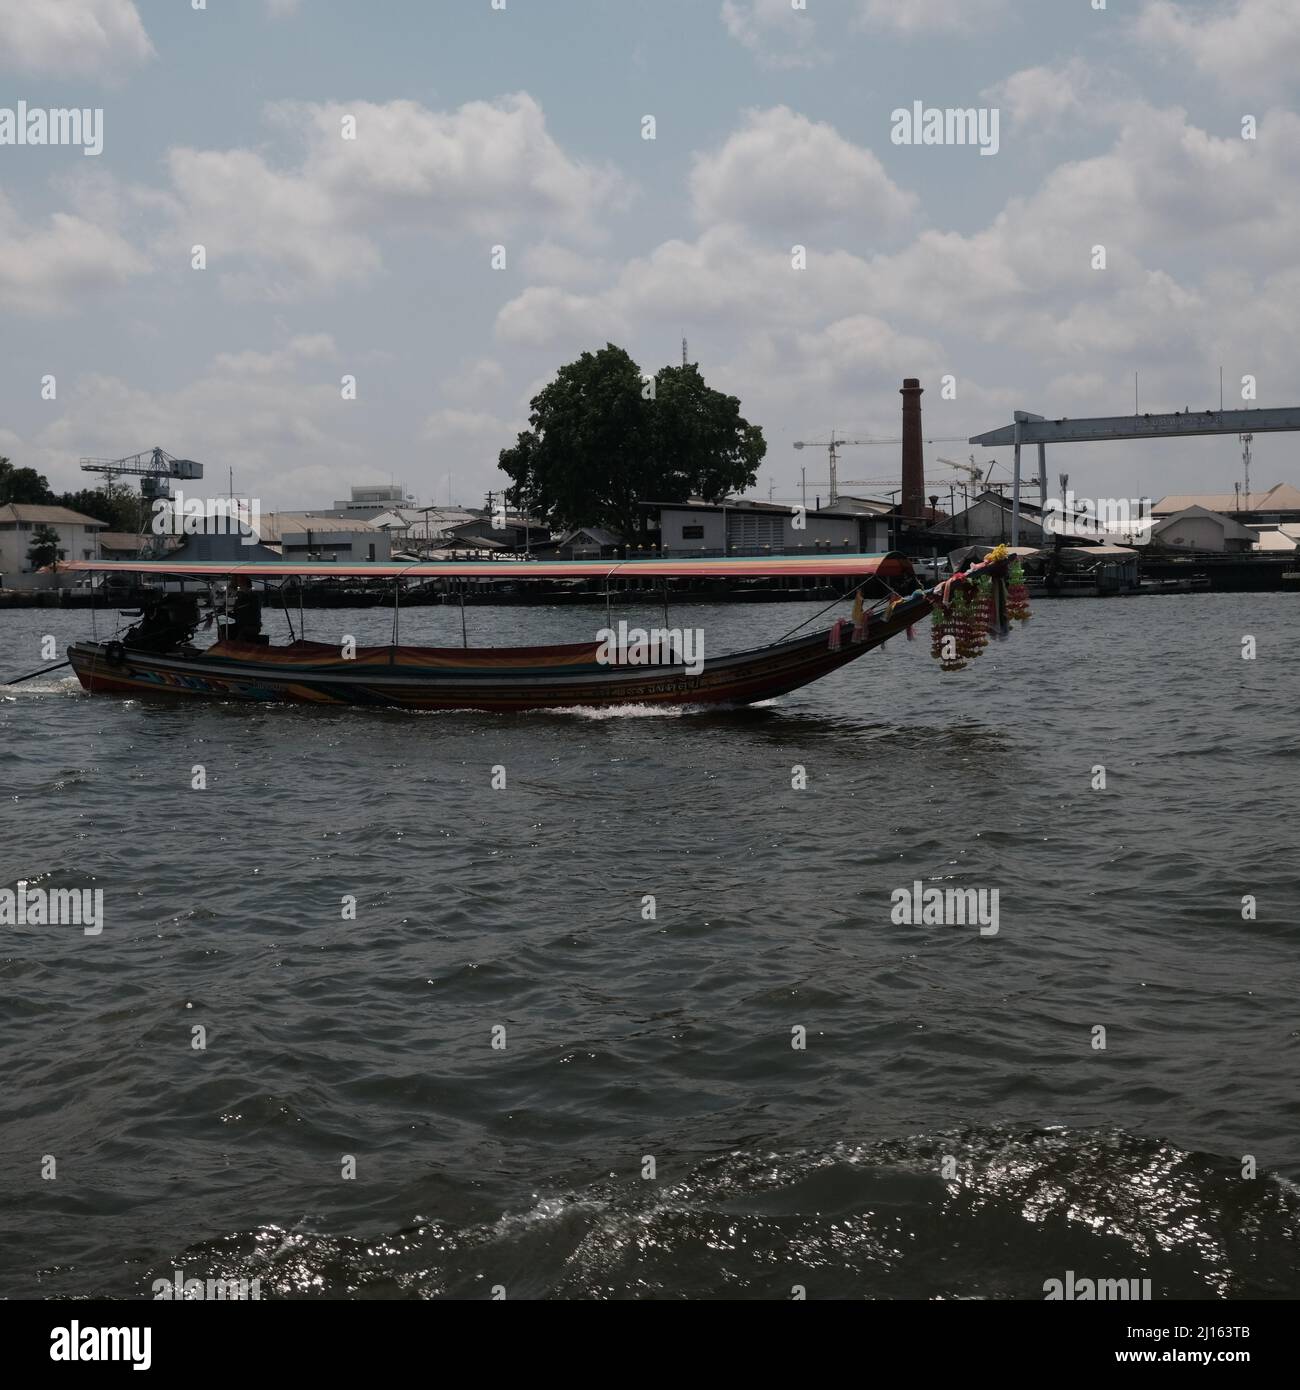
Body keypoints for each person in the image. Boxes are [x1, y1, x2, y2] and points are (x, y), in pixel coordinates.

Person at [228, 576, 264, 643]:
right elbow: (236, 614)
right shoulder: (240, 596)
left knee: (242, 632)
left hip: (252, 626)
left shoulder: (254, 597)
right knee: (224, 628)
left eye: (240, 584)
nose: (239, 586)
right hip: (241, 624)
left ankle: (235, 648)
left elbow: (243, 614)